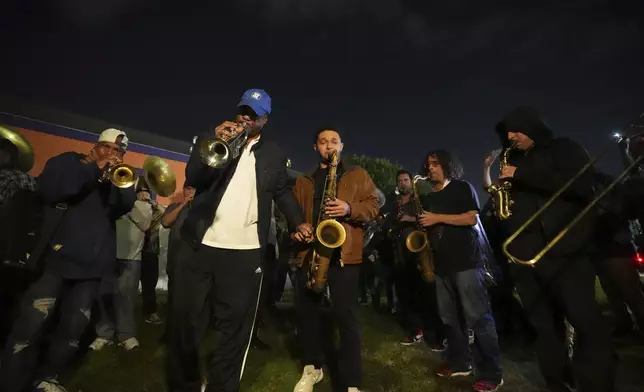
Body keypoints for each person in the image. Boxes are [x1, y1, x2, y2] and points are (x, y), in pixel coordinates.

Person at [167, 89, 312, 392]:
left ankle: (221, 386)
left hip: (244, 252)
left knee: (234, 328)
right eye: (243, 111)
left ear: (265, 119)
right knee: (186, 323)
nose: (246, 118)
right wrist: (213, 139)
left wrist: (298, 221)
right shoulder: (214, 138)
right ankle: (186, 384)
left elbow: (282, 191)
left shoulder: (272, 153)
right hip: (200, 245)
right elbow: (194, 177)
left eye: (254, 114)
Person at [0, 128, 136, 392]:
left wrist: (116, 181)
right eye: (107, 147)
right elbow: (54, 189)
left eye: (118, 151)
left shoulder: (116, 178)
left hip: (90, 268)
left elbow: (123, 205)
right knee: (30, 326)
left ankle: (49, 378)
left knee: (72, 332)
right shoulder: (69, 161)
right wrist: (94, 168)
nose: (112, 154)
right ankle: (11, 382)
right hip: (53, 262)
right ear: (95, 145)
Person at [495, 106, 616, 392]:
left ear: (532, 126)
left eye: (516, 129)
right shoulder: (513, 159)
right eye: (507, 132)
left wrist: (520, 174)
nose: (511, 137)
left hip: (566, 253)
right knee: (545, 328)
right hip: (527, 256)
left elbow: (581, 183)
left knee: (585, 322)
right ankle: (556, 381)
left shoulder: (564, 148)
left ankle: (596, 384)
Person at [290, 126, 379, 392]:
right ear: (316, 147)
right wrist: (298, 228)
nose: (329, 146)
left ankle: (351, 382)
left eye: (334, 142)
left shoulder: (358, 174)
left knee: (346, 317)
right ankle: (312, 368)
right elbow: (294, 213)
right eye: (323, 142)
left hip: (344, 254)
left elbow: (374, 206)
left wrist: (349, 208)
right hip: (310, 252)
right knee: (308, 315)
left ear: (341, 146)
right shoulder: (304, 179)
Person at [418, 149, 503, 392]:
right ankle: (460, 363)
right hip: (441, 266)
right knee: (449, 319)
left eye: (435, 164)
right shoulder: (428, 196)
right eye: (428, 164)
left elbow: (470, 219)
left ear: (447, 165)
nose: (430, 168)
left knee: (477, 318)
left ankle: (493, 373)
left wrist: (437, 218)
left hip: (466, 262)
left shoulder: (462, 187)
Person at [90, 181, 155, 352]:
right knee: (105, 297)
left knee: (126, 298)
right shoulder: (112, 202)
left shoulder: (143, 206)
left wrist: (131, 203)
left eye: (143, 190)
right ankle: (104, 333)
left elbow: (145, 224)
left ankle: (126, 334)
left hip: (131, 258)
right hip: (109, 255)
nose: (141, 193)